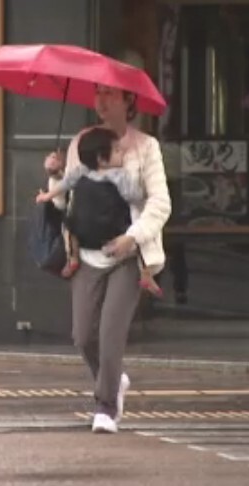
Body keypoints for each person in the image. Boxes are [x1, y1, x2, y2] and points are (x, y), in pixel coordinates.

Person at [51, 85, 171, 434]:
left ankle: (105, 405)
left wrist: (132, 237)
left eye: (110, 95)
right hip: (86, 253)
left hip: (128, 254)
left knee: (110, 334)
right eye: (96, 93)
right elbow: (63, 203)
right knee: (83, 336)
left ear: (128, 101)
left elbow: (160, 202)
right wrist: (57, 175)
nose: (100, 102)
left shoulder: (147, 147)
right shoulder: (81, 143)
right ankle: (114, 380)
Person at [36, 129, 163, 297]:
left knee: (69, 228)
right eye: (117, 150)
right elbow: (134, 196)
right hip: (110, 229)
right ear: (101, 158)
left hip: (85, 229)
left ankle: (72, 257)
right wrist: (140, 191)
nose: (122, 153)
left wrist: (47, 195)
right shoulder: (120, 175)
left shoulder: (82, 171)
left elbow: (65, 184)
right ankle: (146, 274)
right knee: (137, 241)